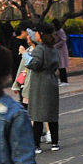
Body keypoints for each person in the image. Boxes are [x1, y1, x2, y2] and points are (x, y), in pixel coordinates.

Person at [25, 23, 61, 153]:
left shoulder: (40, 48)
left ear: (41, 34)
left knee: (38, 115)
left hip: (40, 82)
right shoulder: (53, 49)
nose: (34, 34)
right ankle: (55, 143)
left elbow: (35, 64)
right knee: (52, 114)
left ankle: (36, 145)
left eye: (36, 32)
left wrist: (24, 55)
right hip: (52, 81)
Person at [51, 19, 70, 85]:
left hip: (61, 50)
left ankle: (64, 81)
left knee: (62, 66)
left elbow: (63, 40)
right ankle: (62, 80)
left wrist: (55, 45)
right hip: (58, 50)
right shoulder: (55, 31)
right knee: (60, 66)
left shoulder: (60, 31)